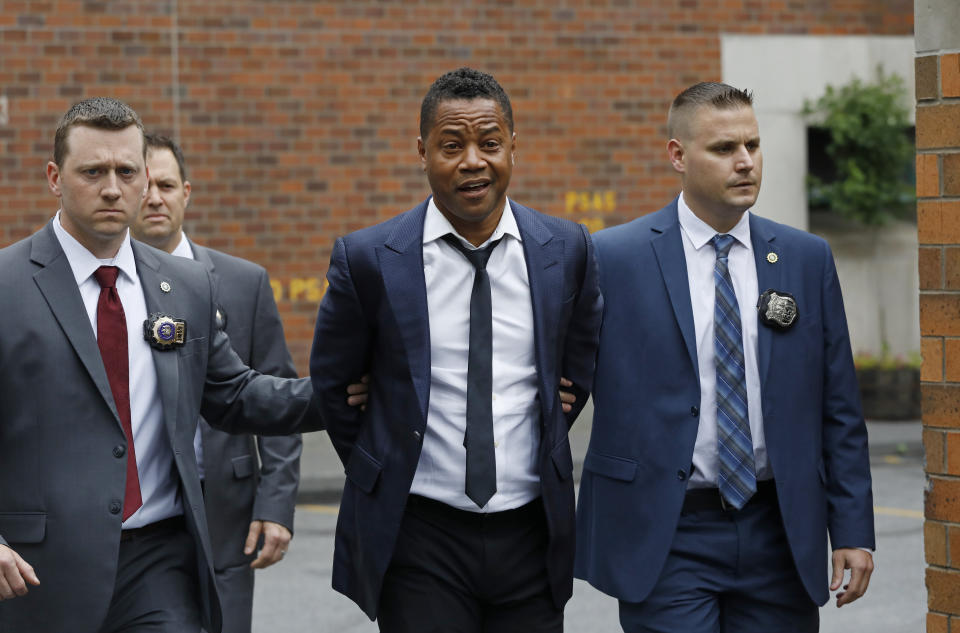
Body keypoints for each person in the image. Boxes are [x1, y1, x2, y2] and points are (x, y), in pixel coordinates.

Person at [0, 97, 324, 633]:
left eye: (126, 171)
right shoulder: (8, 285)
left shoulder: (186, 285)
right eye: (93, 171)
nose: (112, 188)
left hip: (159, 564)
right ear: (55, 178)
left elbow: (236, 394)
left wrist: (346, 391)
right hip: (38, 573)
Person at [573, 82, 875, 633]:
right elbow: (561, 377)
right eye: (723, 149)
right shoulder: (612, 258)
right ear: (677, 155)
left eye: (753, 146)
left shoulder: (806, 259)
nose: (745, 163)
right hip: (667, 532)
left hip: (779, 529)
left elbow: (840, 408)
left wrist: (852, 528)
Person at [309, 67, 603, 632]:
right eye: (452, 145)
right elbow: (332, 383)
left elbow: (578, 365)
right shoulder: (369, 259)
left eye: (490, 143)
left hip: (531, 531)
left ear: (513, 147)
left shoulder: (566, 250)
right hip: (420, 534)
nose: (473, 161)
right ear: (422, 152)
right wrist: (384, 458)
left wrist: (547, 417)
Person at [130, 134, 303, 633]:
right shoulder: (111, 287)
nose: (155, 197)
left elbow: (276, 399)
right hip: (143, 501)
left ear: (188, 192)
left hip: (227, 508)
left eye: (166, 184)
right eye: (144, 186)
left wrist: (275, 505)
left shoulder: (243, 282)